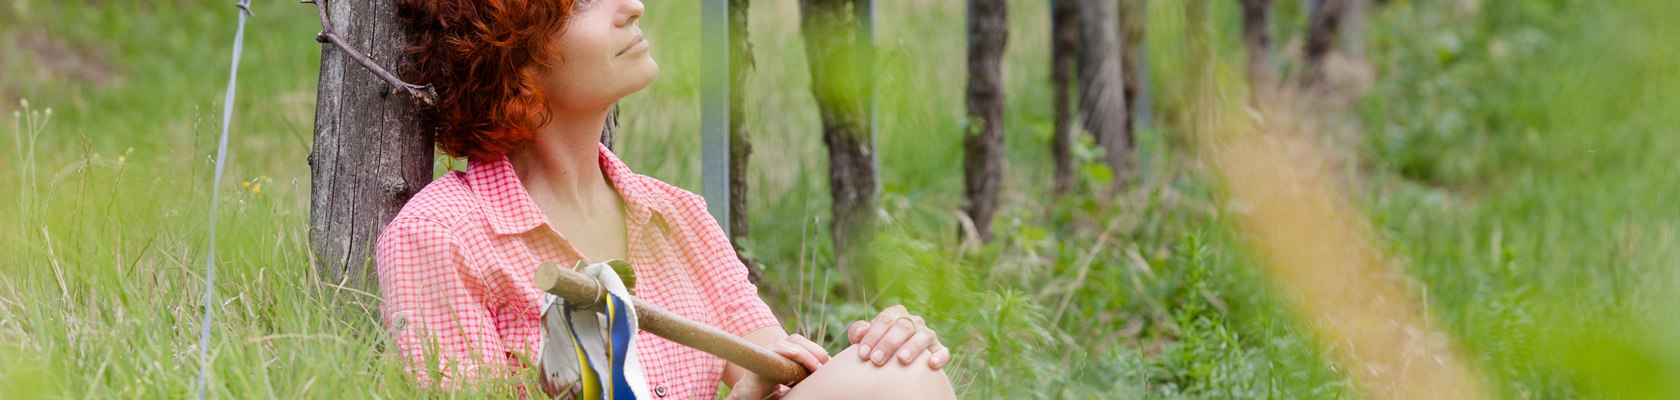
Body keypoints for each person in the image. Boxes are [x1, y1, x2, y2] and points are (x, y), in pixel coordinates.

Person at [376, 0, 956, 398]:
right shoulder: (438, 236)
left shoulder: (677, 215)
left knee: (900, 371)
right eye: (580, 2)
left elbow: (780, 372)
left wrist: (885, 350)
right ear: (507, 50)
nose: (631, 5)